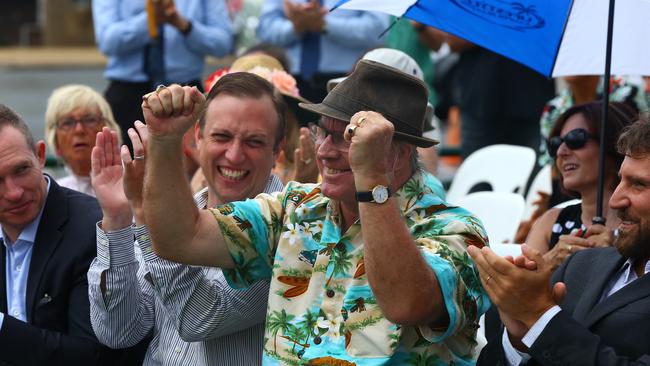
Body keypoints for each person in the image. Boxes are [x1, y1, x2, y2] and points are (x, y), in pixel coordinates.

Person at [141, 59, 490, 364]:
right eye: (323, 132)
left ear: (397, 154)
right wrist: (165, 141)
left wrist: (372, 181)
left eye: (347, 138)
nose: (324, 150)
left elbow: (406, 304)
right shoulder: (297, 208)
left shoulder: (456, 230)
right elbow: (180, 239)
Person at [87, 72, 285, 365]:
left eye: (254, 142)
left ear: (277, 152)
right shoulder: (183, 206)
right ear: (198, 138)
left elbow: (200, 319)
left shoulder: (287, 228)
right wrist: (117, 218)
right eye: (222, 136)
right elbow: (119, 332)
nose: (234, 155)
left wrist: (147, 214)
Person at [470, 113, 650, 366]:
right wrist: (519, 335)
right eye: (621, 180)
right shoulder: (580, 265)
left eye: (639, 184)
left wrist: (539, 318)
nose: (615, 200)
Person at [0, 104, 109, 364]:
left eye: (21, 170)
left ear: (40, 155)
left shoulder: (94, 229)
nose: (14, 192)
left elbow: (91, 356)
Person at [92, 0, 232, 149]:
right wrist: (150, 20)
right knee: (125, 163)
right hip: (127, 94)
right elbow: (106, 41)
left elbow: (222, 43)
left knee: (191, 167)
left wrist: (184, 25)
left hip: (186, 94)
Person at [525, 101, 637, 270]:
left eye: (575, 139)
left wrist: (616, 252)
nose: (561, 152)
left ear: (612, 143)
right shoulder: (550, 222)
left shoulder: (640, 226)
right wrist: (551, 262)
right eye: (555, 143)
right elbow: (520, 289)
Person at [256, 0, 389, 103]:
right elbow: (265, 29)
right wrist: (296, 28)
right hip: (290, 83)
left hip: (346, 82)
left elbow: (378, 29)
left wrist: (325, 25)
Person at [44, 84, 122, 196]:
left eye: (89, 120)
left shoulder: (134, 182)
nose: (79, 130)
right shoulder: (53, 195)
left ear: (108, 128)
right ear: (55, 140)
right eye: (67, 123)